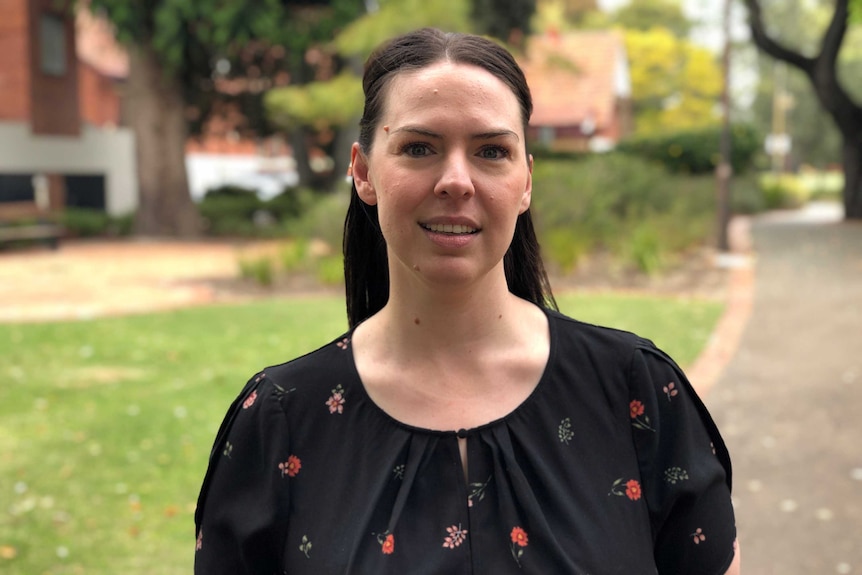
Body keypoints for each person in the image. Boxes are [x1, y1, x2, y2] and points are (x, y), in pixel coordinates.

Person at [194, 27, 740, 574]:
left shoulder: (635, 393)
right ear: (363, 172)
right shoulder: (280, 418)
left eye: (491, 151)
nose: (457, 181)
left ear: (525, 181)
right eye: (419, 148)